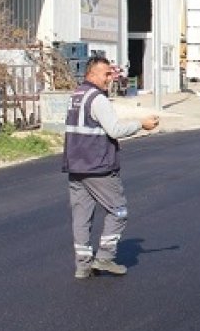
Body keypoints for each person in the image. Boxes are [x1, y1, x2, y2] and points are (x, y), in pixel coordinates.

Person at [63, 56, 159, 280]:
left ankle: (82, 265)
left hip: (76, 166)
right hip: (98, 167)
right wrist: (141, 125)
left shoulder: (76, 96)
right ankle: (105, 257)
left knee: (81, 216)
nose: (110, 78)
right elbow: (114, 130)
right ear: (92, 74)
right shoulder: (98, 99)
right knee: (119, 210)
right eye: (106, 74)